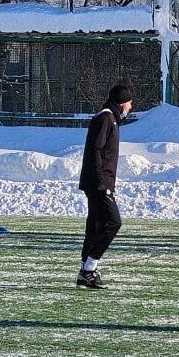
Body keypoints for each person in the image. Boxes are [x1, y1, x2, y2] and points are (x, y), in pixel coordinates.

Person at [77, 84, 133, 289]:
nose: (130, 106)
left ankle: (86, 270)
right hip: (98, 183)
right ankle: (89, 269)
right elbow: (95, 151)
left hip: (98, 182)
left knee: (95, 225)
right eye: (129, 103)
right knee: (113, 222)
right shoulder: (106, 118)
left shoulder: (110, 118)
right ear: (122, 102)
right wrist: (102, 183)